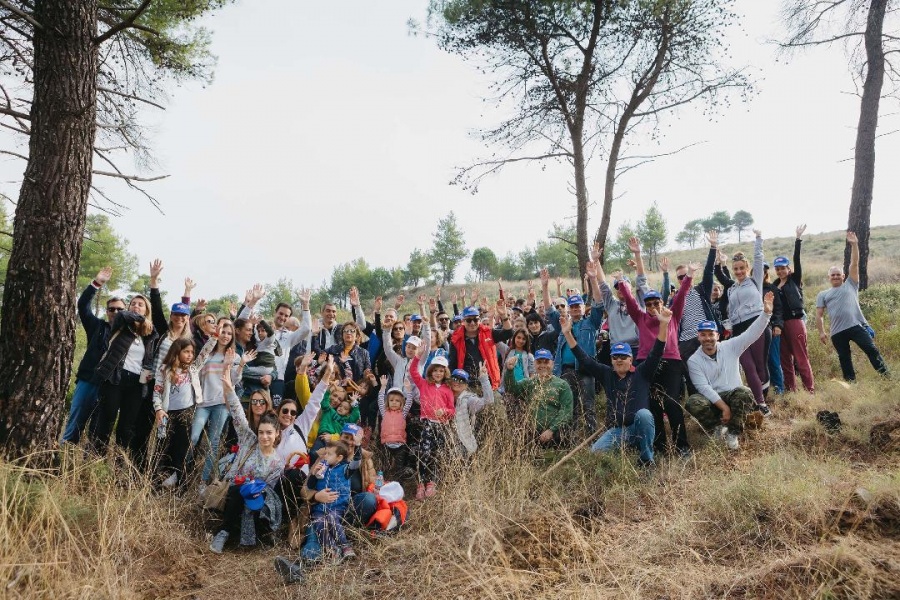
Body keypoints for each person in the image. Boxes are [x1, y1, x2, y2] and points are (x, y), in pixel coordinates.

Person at [559, 306, 671, 467]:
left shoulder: (642, 372)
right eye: (615, 357)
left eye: (623, 357)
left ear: (631, 359)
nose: (619, 360)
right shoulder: (607, 374)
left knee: (645, 415)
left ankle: (646, 459)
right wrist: (568, 334)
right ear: (611, 360)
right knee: (596, 452)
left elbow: (657, 352)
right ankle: (624, 452)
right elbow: (585, 359)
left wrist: (664, 325)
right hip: (618, 430)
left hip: (639, 427)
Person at [609, 258, 697, 456]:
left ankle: (682, 446)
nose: (653, 307)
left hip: (671, 362)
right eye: (648, 304)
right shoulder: (641, 318)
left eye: (656, 302)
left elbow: (682, 294)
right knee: (652, 405)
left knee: (672, 403)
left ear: (661, 302)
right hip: (646, 364)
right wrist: (622, 281)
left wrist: (689, 275)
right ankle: (659, 446)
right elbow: (631, 302)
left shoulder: (671, 315)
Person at [209, 355, 285, 554]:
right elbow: (237, 413)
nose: (264, 437)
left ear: (276, 434)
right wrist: (229, 388)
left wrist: (254, 487)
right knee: (237, 490)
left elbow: (270, 488)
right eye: (261, 432)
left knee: (261, 502)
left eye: (269, 433)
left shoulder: (278, 462)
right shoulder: (249, 439)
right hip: (236, 492)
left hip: (257, 498)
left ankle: (257, 537)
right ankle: (223, 533)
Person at [686, 292, 775, 451]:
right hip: (714, 401)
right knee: (693, 401)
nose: (708, 338)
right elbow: (703, 388)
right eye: (703, 335)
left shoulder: (730, 346)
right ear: (698, 337)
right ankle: (717, 428)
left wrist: (766, 313)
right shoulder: (694, 360)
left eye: (711, 334)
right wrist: (724, 408)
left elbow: (751, 334)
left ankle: (733, 432)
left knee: (745, 392)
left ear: (717, 335)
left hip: (734, 395)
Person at [90, 291, 158, 460]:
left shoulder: (149, 335)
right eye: (133, 303)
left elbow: (148, 360)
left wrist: (147, 376)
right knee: (107, 420)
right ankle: (97, 460)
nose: (135, 306)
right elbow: (122, 314)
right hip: (115, 378)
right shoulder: (121, 324)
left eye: (140, 304)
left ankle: (121, 464)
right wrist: (142, 319)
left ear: (146, 310)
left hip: (136, 383)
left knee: (126, 427)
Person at [815, 231, 890, 382]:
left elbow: (854, 263)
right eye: (833, 275)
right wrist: (822, 332)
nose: (836, 276)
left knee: (871, 349)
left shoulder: (851, 284)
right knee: (845, 360)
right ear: (829, 278)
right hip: (837, 332)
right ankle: (851, 384)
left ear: (843, 276)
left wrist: (855, 245)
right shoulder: (823, 294)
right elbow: (819, 315)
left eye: (838, 274)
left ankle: (887, 377)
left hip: (855, 326)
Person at [62, 267, 122, 444]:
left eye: (120, 310)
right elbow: (82, 306)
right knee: (75, 424)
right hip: (88, 381)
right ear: (107, 311)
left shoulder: (130, 335)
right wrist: (96, 284)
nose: (116, 313)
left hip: (109, 387)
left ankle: (89, 465)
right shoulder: (97, 326)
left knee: (99, 431)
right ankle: (65, 458)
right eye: (112, 309)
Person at [541, 267, 604, 435]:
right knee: (570, 405)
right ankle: (570, 438)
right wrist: (545, 286)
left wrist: (593, 279)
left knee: (589, 405)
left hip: (585, 369)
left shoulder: (591, 323)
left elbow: (599, 303)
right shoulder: (562, 324)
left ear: (584, 308)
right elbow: (549, 310)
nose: (575, 309)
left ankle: (592, 438)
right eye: (573, 306)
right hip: (565, 370)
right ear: (569, 309)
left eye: (578, 306)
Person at [715, 229, 772, 415]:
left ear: (747, 268)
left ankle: (763, 393)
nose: (739, 271)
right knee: (747, 366)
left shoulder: (755, 281)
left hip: (757, 323)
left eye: (742, 268)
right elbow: (720, 275)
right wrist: (717, 255)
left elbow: (758, 257)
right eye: (736, 269)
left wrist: (758, 239)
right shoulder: (731, 288)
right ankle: (760, 404)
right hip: (739, 329)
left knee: (760, 366)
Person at [152, 335, 216, 489]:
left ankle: (180, 485)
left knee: (182, 449)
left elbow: (204, 354)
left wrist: (214, 337)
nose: (190, 355)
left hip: (187, 413)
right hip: (167, 414)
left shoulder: (193, 369)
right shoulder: (164, 370)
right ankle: (156, 483)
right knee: (162, 448)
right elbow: (157, 392)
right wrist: (158, 409)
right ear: (177, 352)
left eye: (191, 352)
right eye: (186, 351)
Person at [190, 321, 245, 483]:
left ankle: (202, 482)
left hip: (221, 403)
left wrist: (235, 365)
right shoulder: (207, 354)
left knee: (213, 443)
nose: (225, 336)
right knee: (193, 437)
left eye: (229, 333)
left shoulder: (234, 356)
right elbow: (195, 370)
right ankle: (180, 473)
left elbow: (234, 380)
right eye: (223, 332)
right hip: (203, 403)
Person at [409, 344, 455, 500]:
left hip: (441, 425)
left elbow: (452, 410)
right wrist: (417, 357)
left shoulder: (447, 389)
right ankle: (421, 484)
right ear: (430, 371)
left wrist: (445, 412)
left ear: (445, 372)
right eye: (435, 370)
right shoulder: (424, 384)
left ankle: (432, 483)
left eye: (441, 370)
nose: (438, 373)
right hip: (427, 423)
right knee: (424, 453)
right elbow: (413, 372)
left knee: (437, 454)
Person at [503, 348, 573, 447]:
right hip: (533, 432)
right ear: (534, 364)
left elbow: (566, 411)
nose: (543, 365)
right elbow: (512, 389)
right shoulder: (529, 382)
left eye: (546, 362)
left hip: (556, 433)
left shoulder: (562, 385)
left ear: (552, 364)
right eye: (539, 362)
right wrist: (510, 371)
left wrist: (551, 430)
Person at [774, 224, 815, 393]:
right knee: (785, 361)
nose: (780, 271)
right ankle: (791, 391)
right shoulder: (774, 286)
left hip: (796, 322)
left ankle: (810, 390)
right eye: (777, 268)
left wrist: (798, 239)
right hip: (781, 325)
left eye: (783, 268)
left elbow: (797, 259)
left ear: (788, 268)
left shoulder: (794, 279)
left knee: (801, 358)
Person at [308, 440, 356, 562]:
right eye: (325, 453)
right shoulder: (322, 468)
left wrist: (359, 447)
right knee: (319, 523)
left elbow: (356, 464)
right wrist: (314, 474)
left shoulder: (345, 469)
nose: (325, 457)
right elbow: (310, 486)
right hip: (320, 507)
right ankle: (332, 549)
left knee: (332, 518)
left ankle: (345, 546)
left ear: (339, 458)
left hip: (337, 506)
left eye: (329, 454)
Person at [450, 366, 494, 457]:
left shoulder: (469, 399)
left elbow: (488, 401)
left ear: (466, 385)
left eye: (462, 380)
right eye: (455, 378)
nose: (457, 382)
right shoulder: (442, 395)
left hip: (463, 444)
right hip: (445, 442)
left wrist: (484, 379)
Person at [377, 375, 413, 480]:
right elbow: (380, 399)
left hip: (399, 446)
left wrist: (409, 390)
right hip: (386, 444)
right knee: (384, 466)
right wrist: (383, 387)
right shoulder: (384, 412)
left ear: (401, 403)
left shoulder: (403, 413)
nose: (394, 402)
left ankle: (398, 486)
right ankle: (382, 484)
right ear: (387, 402)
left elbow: (409, 402)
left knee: (399, 468)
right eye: (391, 400)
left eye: (397, 401)